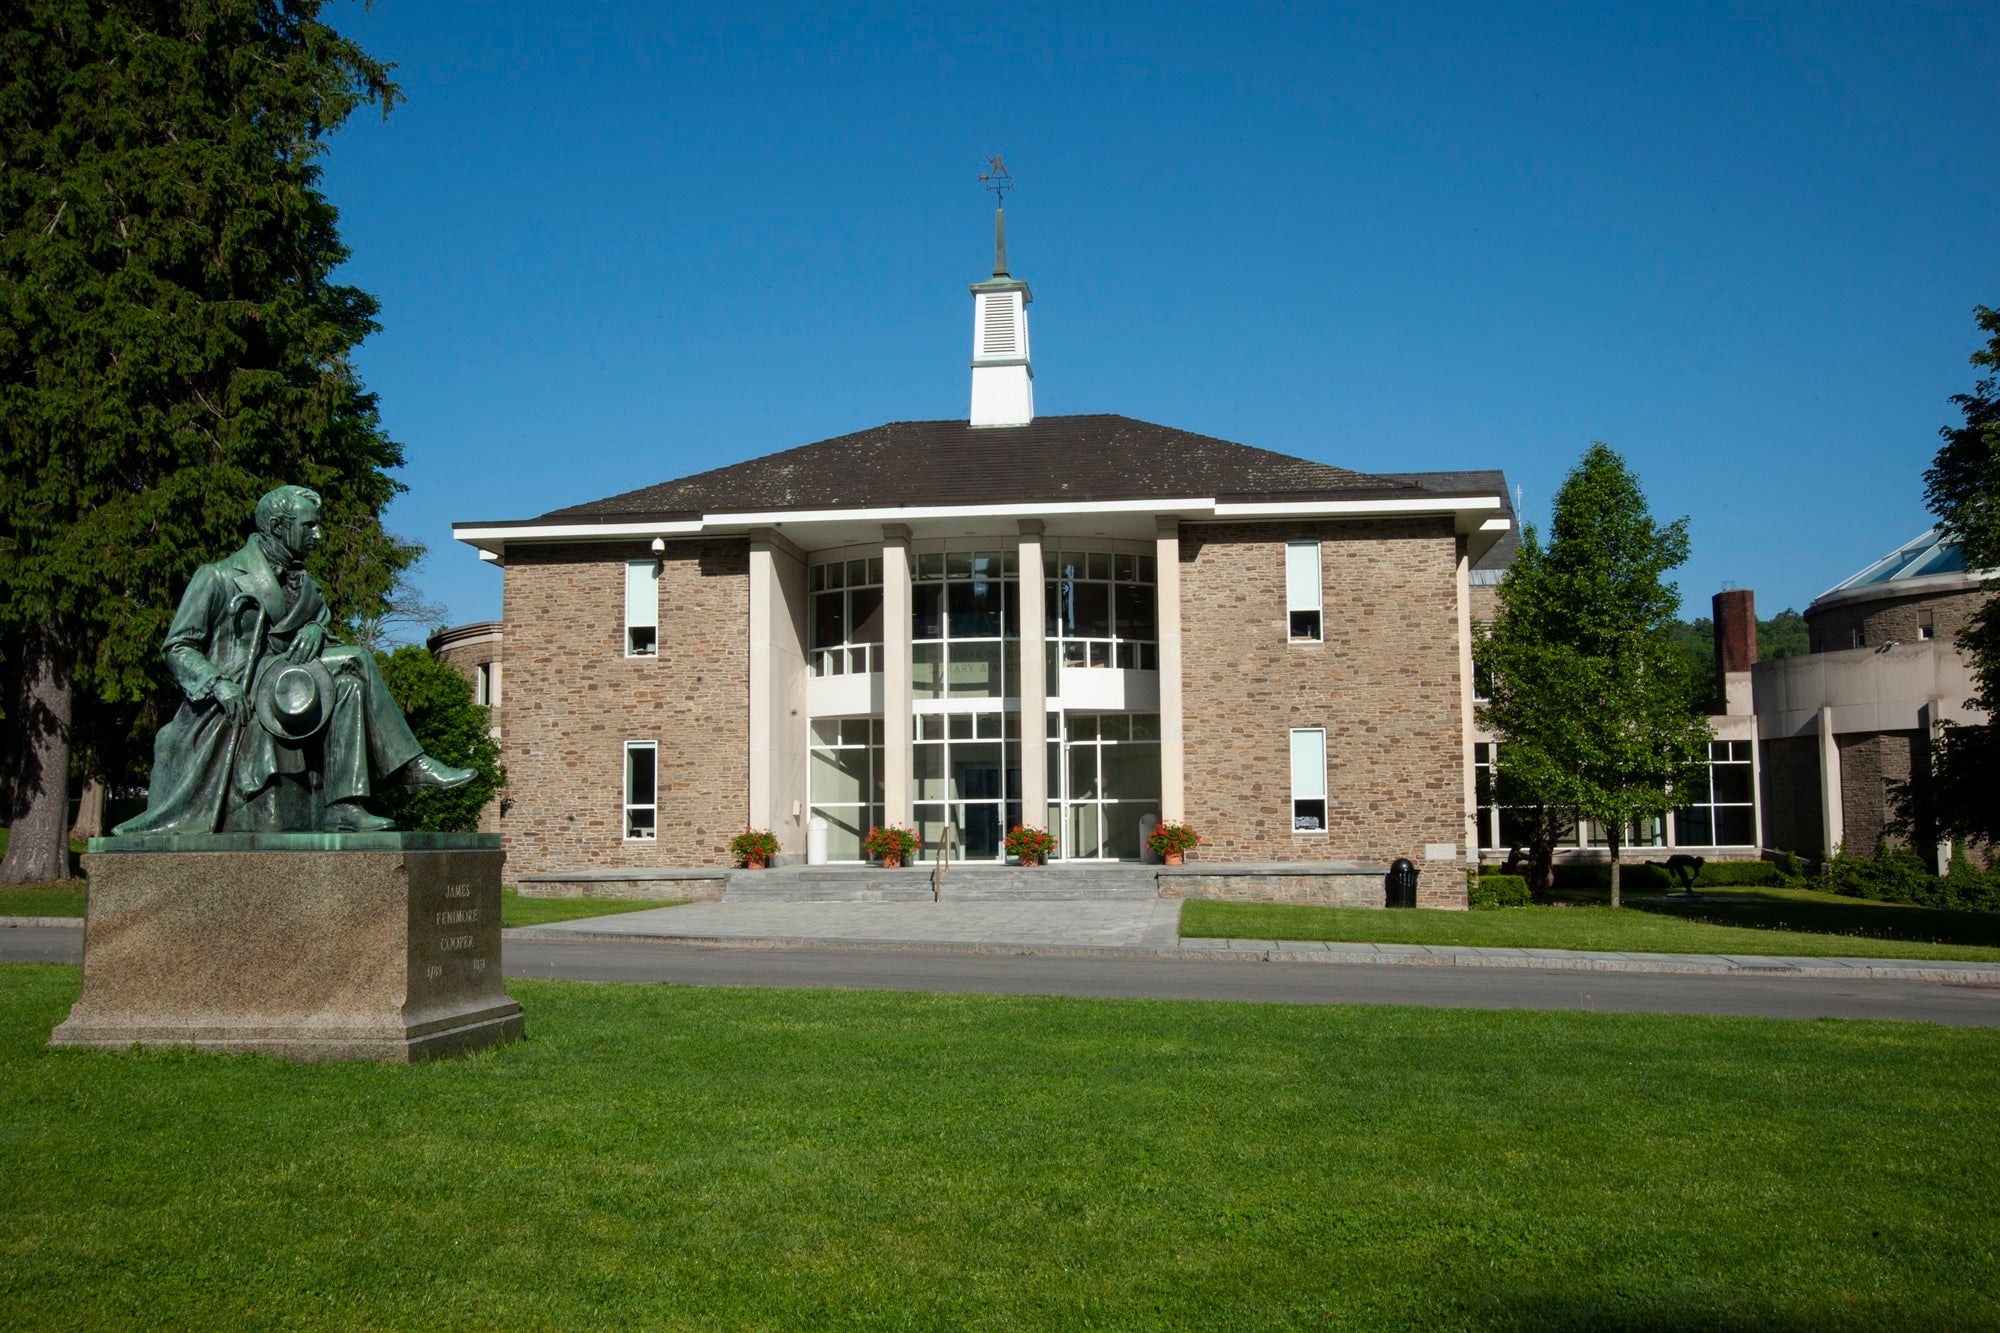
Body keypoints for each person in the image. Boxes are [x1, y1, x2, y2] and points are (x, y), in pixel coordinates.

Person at [114, 485, 473, 835]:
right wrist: (216, 683)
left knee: (348, 686)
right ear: (277, 527)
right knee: (359, 658)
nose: (318, 535)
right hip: (243, 684)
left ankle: (343, 807)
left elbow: (319, 638)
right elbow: (177, 646)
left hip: (290, 682)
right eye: (309, 526)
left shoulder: (308, 587)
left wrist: (317, 630)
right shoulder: (219, 576)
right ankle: (411, 767)